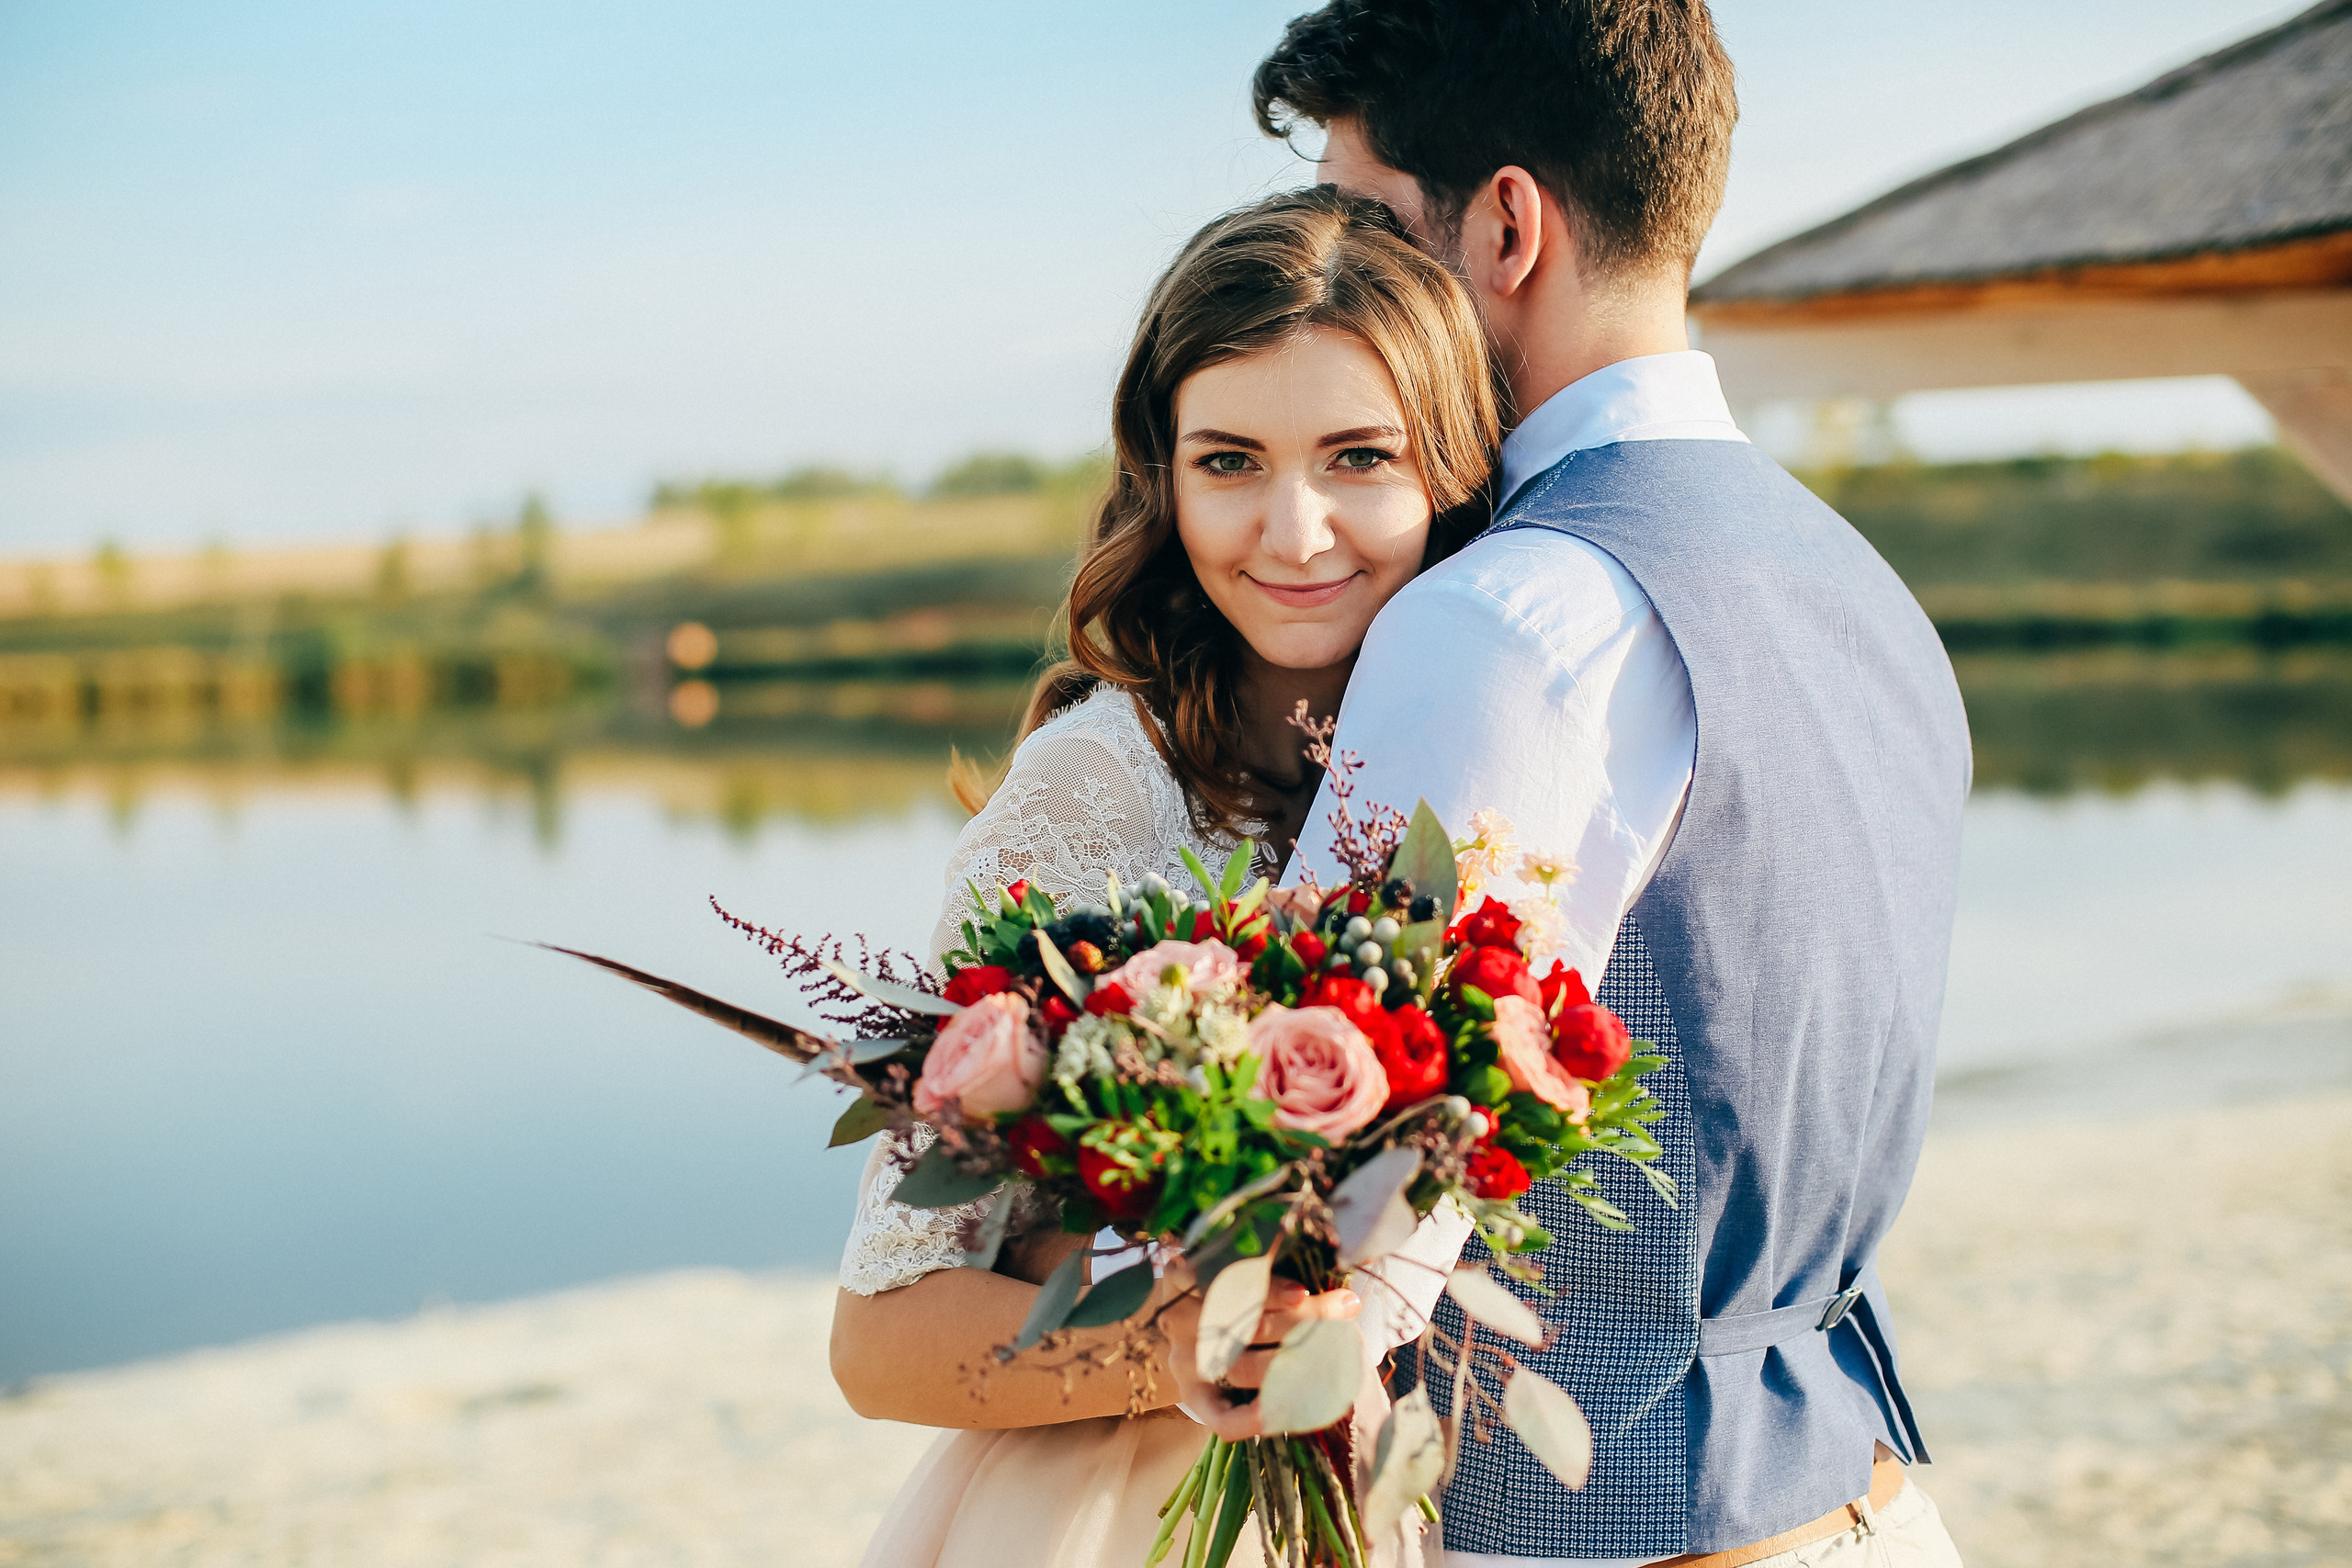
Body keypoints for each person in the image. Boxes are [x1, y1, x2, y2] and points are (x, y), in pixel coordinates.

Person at [1167, 5, 1973, 1567]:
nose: (1334, 270)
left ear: (1508, 224)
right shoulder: (1859, 582)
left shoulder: (1506, 617)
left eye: (1366, 223)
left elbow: (1345, 1204)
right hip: (1861, 1505)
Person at [830, 186, 1499, 1568]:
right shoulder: (1086, 792)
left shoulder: (1490, 770)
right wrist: (1193, 1339)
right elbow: (880, 1337)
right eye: (1233, 461)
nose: (1295, 531)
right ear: (1162, 474)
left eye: (1360, 458)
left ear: (1451, 465)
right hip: (1122, 1516)